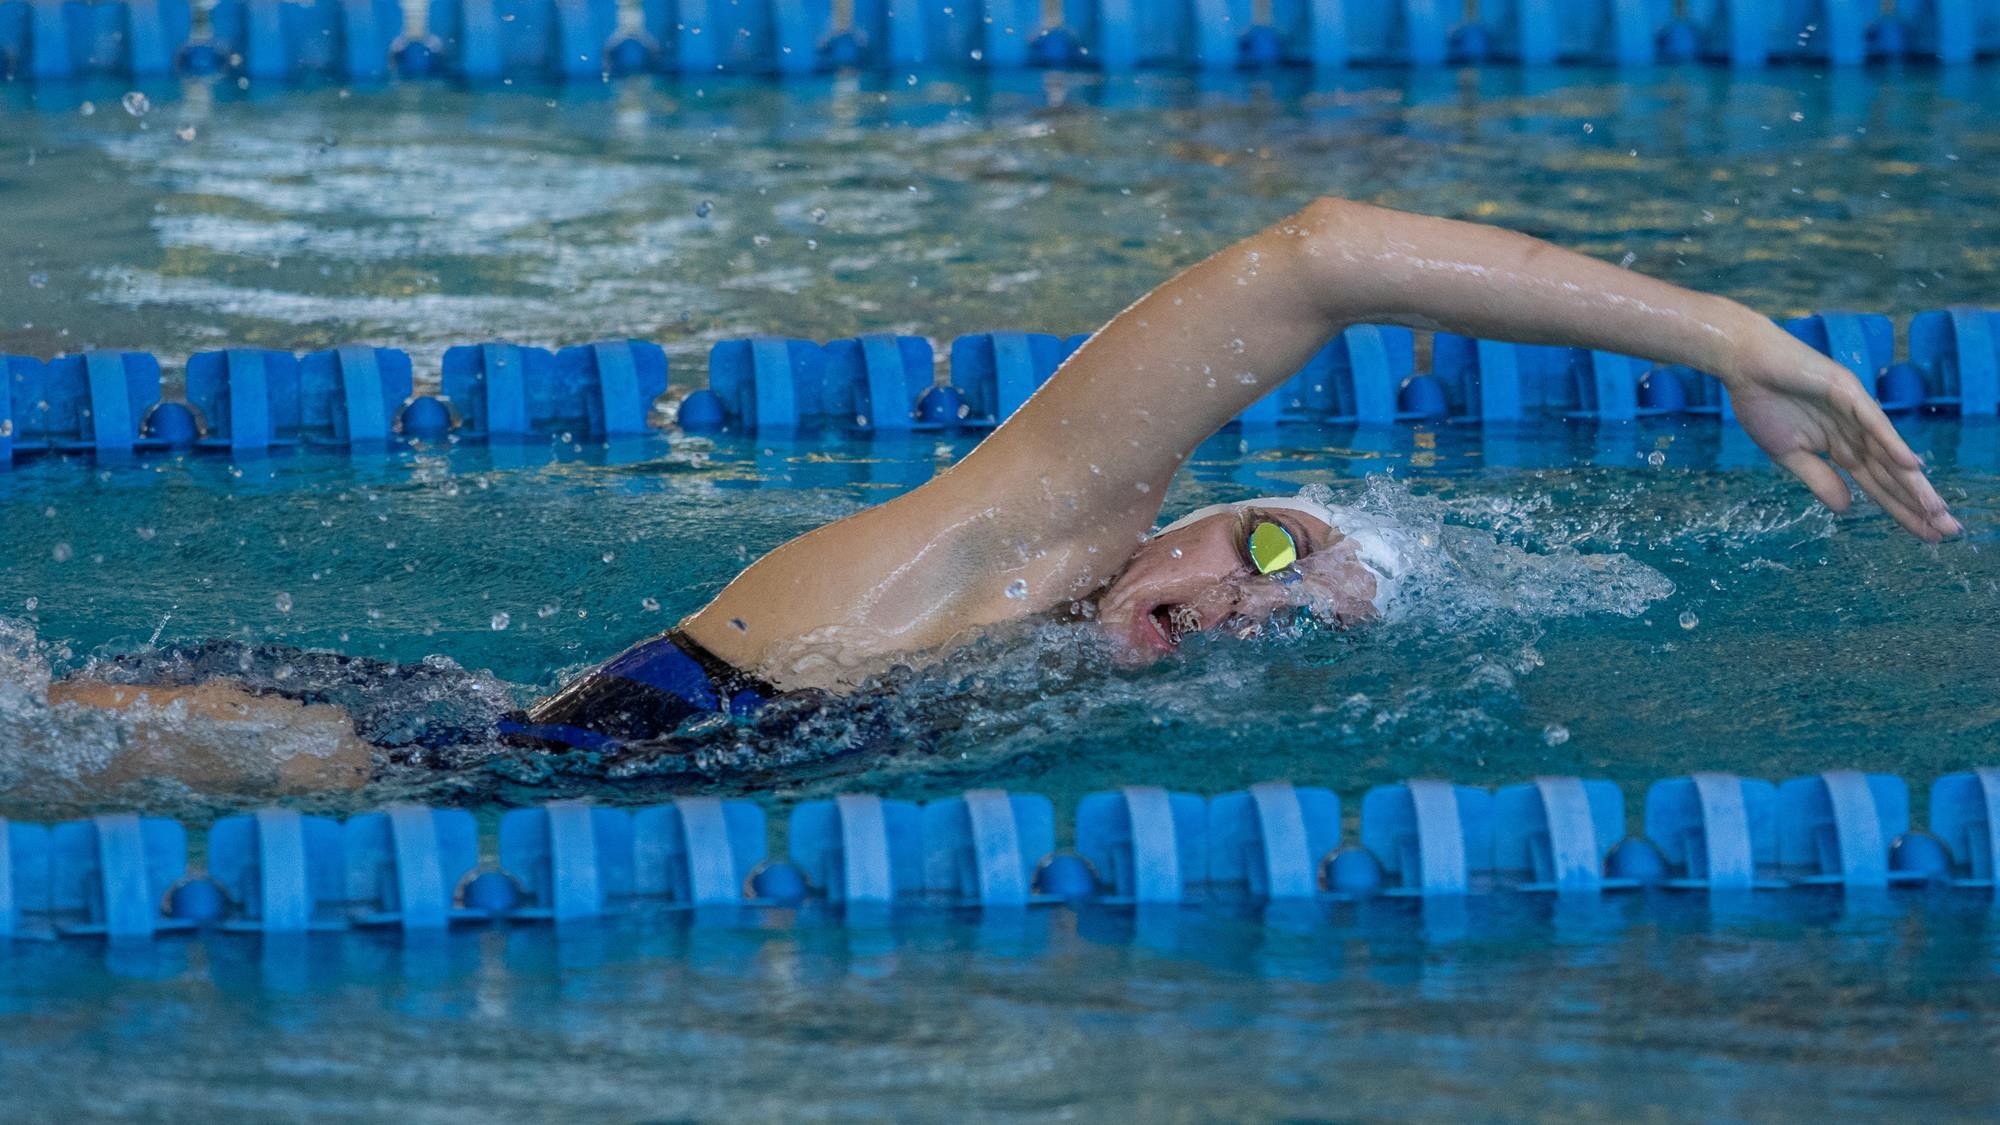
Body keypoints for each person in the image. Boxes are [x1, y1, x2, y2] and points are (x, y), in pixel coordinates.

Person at [47, 198, 1961, 781]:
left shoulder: (1050, 683)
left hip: (460, 732)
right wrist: (1728, 335)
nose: (1242, 603)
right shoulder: (1035, 527)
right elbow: (1318, 257)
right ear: (1202, 508)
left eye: (1289, 622)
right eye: (1269, 547)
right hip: (363, 755)